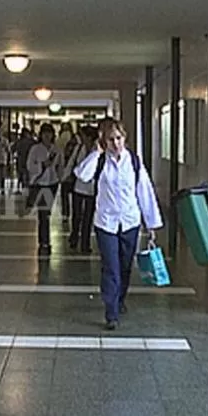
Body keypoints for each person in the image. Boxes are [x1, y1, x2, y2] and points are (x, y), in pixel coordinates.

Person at [74, 118, 162, 330]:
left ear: (125, 138)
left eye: (119, 138)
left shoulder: (134, 162)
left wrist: (151, 224)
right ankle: (111, 312)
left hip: (130, 221)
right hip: (106, 223)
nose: (116, 144)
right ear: (103, 140)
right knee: (110, 267)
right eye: (111, 139)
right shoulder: (100, 160)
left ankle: (120, 298)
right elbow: (82, 175)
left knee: (125, 266)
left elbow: (145, 191)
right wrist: (95, 152)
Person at [26, 123, 64, 255]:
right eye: (44, 133)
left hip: (52, 183)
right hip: (40, 184)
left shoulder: (57, 149)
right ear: (41, 135)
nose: (47, 136)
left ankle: (45, 240)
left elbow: (60, 166)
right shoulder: (35, 149)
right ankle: (44, 241)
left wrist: (61, 178)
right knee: (43, 213)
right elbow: (30, 165)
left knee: (46, 213)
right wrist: (42, 165)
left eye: (49, 133)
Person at [64, 126, 98, 252]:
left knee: (88, 216)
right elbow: (71, 163)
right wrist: (65, 176)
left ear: (89, 137)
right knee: (76, 214)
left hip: (92, 188)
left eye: (83, 135)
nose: (80, 137)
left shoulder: (97, 150)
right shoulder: (79, 148)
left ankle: (85, 242)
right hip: (78, 187)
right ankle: (74, 237)